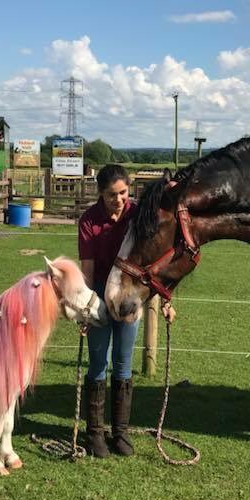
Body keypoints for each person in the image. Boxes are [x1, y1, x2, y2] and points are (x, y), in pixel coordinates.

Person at [77, 164, 141, 458]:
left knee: (123, 363)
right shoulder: (89, 221)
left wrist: (167, 302)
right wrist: (86, 309)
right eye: (112, 195)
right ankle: (95, 433)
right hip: (100, 296)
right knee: (98, 363)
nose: (119, 200)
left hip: (129, 296)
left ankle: (121, 432)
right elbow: (87, 270)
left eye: (123, 193)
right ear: (101, 194)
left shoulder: (137, 216)